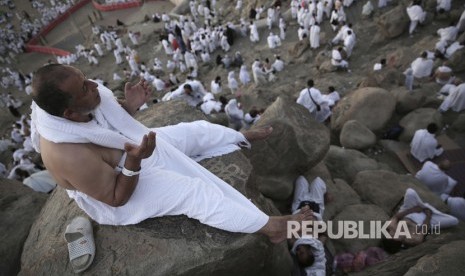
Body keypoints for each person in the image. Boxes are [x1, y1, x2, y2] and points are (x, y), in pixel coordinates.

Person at [30, 64, 313, 243]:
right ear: (68, 113)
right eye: (84, 88)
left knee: (193, 131)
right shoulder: (67, 154)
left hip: (129, 149)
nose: (94, 86)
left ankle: (237, 137)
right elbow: (116, 198)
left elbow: (105, 120)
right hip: (121, 183)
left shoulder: (81, 102)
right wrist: (135, 161)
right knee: (194, 192)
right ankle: (269, 227)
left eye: (85, 78)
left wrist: (129, 107)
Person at [384, 188, 458, 252]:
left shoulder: (391, 228)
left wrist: (412, 210)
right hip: (424, 220)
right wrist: (428, 215)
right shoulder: (414, 240)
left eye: (393, 235)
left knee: (410, 192)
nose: (396, 233)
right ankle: (426, 207)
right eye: (398, 237)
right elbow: (424, 230)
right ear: (402, 242)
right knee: (454, 221)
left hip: (408, 213)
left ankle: (424, 206)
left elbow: (396, 217)